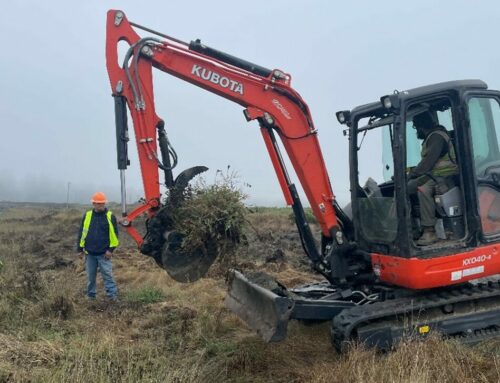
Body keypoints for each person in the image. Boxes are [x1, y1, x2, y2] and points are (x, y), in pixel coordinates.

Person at [407, 111, 459, 246]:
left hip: (445, 175)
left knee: (422, 189)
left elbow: (428, 163)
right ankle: (412, 228)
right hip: (435, 174)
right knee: (405, 188)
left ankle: (429, 231)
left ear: (421, 126)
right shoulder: (432, 136)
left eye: (415, 127)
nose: (416, 131)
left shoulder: (436, 137)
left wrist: (412, 174)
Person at [76, 191, 119, 300]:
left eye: (102, 203)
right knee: (90, 277)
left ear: (104, 203)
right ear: (93, 203)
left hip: (104, 254)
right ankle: (91, 296)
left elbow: (115, 235)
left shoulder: (110, 216)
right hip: (89, 253)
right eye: (98, 203)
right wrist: (79, 249)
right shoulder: (87, 215)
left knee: (108, 276)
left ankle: (112, 296)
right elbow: (82, 232)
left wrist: (110, 250)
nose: (100, 205)